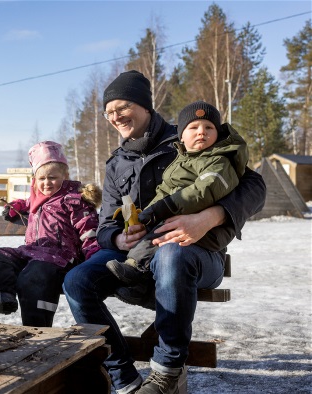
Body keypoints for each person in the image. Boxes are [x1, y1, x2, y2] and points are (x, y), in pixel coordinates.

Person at [61, 71, 265, 394]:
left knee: (171, 253)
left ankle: (167, 371)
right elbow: (104, 227)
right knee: (76, 282)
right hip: (136, 254)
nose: (115, 117)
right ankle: (124, 376)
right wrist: (116, 238)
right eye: (109, 112)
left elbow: (255, 186)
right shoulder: (115, 164)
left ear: (144, 105)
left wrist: (209, 218)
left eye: (122, 107)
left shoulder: (189, 136)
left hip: (196, 252)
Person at [107, 101, 249, 286]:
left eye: (209, 127)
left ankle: (138, 273)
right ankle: (135, 271)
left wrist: (168, 206)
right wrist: (146, 215)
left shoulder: (219, 161)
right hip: (172, 220)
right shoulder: (178, 163)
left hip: (200, 232)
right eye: (193, 127)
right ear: (181, 136)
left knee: (166, 248)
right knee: (150, 240)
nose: (201, 132)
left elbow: (207, 188)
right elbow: (162, 192)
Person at [0, 141, 101, 327]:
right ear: (35, 180)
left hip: (59, 258)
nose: (47, 183)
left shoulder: (74, 200)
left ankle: (36, 326)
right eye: (42, 179)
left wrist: (93, 258)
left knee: (31, 277)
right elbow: (27, 202)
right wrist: (16, 207)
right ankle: (1, 296)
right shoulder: (37, 198)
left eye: (52, 177)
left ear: (65, 175)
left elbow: (88, 230)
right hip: (32, 253)